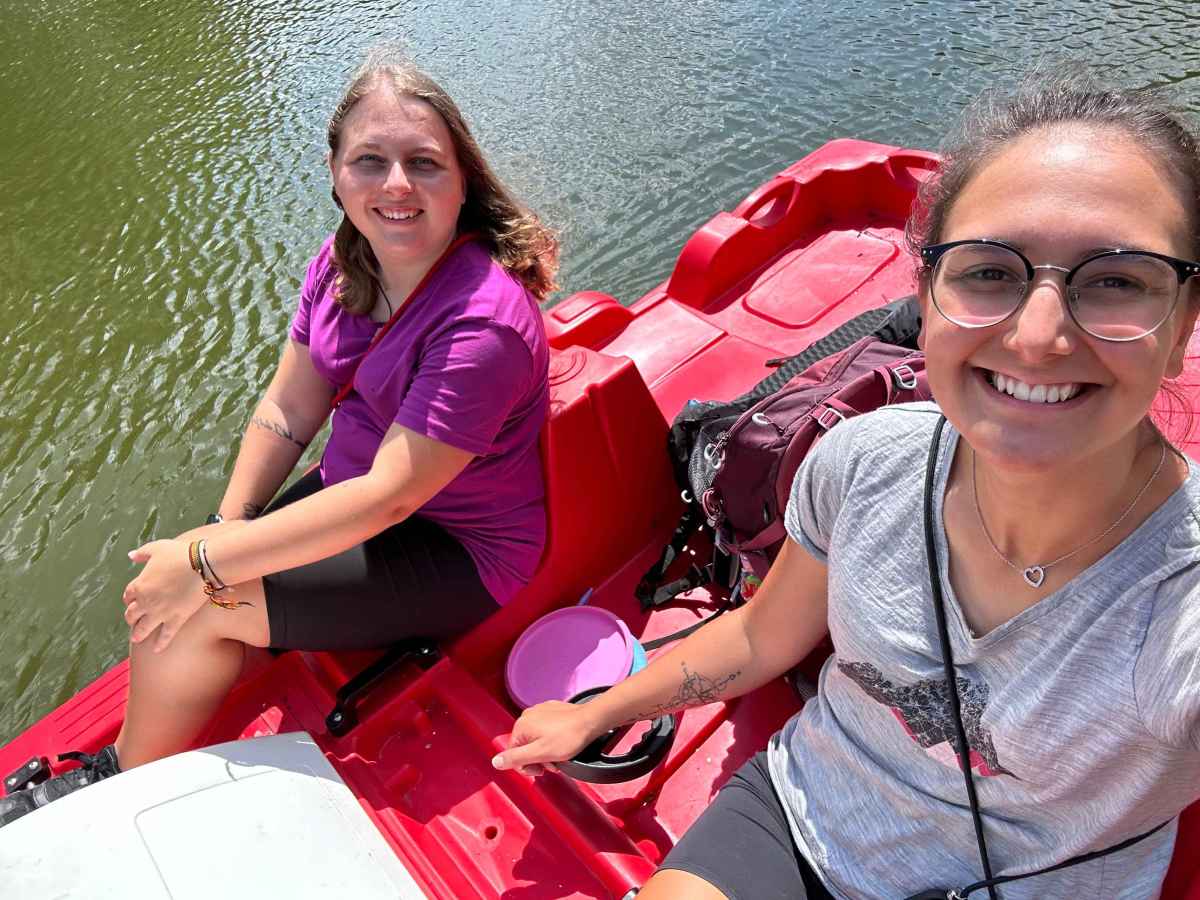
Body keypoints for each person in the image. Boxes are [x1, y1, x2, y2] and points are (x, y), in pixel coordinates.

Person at [494, 71, 1200, 899]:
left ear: (1185, 319)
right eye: (987, 273)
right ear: (928, 294)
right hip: (806, 813)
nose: (1039, 335)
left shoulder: (1179, 600)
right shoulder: (862, 460)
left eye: (1116, 281)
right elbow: (763, 637)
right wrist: (594, 711)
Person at [0, 47, 556, 825]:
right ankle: (131, 756)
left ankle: (113, 787)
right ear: (336, 172)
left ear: (464, 181)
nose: (396, 185)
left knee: (193, 603)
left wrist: (203, 562)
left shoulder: (483, 325)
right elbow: (290, 410)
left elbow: (388, 499)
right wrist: (226, 527)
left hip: (457, 548)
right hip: (361, 500)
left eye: (424, 163)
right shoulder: (340, 267)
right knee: (192, 583)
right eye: (371, 160)